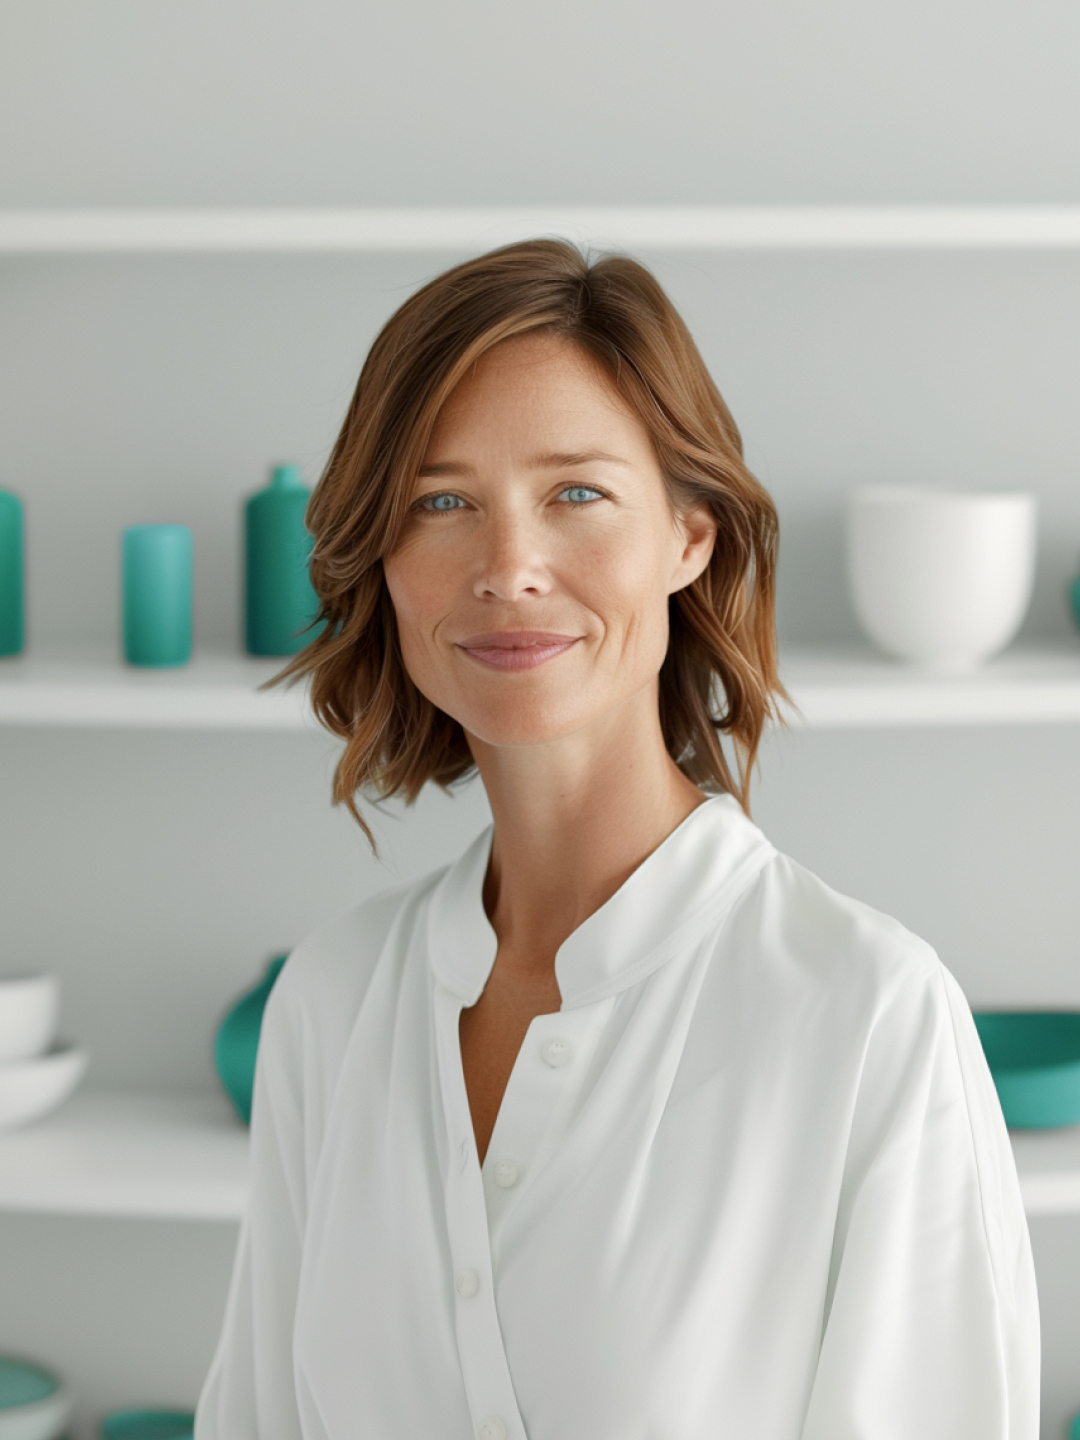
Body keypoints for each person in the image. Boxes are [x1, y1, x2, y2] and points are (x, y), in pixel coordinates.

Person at [194, 238, 1039, 1440]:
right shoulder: (332, 1003)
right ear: (383, 561)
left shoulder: (868, 1016)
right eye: (441, 502)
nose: (508, 568)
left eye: (576, 493)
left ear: (690, 534)